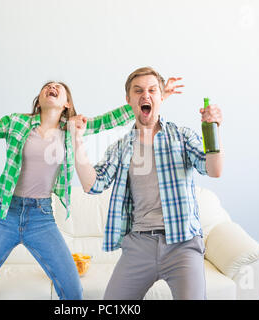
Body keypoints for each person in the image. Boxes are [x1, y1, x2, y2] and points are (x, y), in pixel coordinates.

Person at [0, 81, 137, 300]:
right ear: (39, 99)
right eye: (47, 86)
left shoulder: (72, 128)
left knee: (73, 291)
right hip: (3, 215)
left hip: (41, 217)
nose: (52, 87)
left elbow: (109, 121)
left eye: (58, 86)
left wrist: (149, 98)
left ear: (67, 103)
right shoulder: (16, 122)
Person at [70, 67, 223, 300]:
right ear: (128, 99)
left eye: (152, 90)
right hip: (139, 244)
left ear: (162, 97)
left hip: (183, 244)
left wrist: (214, 130)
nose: (146, 95)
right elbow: (93, 185)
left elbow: (214, 170)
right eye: (138, 90)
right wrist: (76, 140)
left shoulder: (182, 136)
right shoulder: (122, 147)